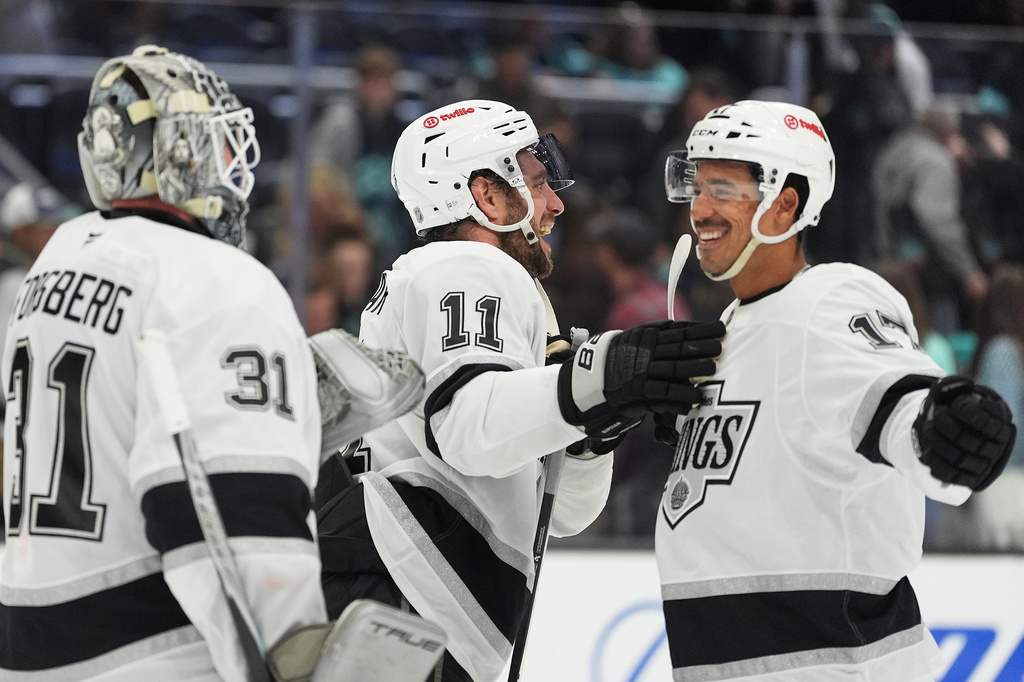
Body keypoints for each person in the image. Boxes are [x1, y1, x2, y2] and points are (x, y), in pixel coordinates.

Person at [0, 45, 422, 681]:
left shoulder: (60, 259)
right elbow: (227, 505)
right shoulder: (217, 278)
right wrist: (296, 657)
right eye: (211, 144)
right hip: (156, 654)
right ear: (172, 156)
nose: (228, 165)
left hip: (28, 647)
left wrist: (293, 422)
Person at [315, 99, 726, 682]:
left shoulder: (459, 277)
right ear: (485, 195)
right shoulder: (465, 266)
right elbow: (466, 425)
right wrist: (598, 379)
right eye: (535, 181)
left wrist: (593, 422)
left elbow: (564, 514)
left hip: (409, 596)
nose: (557, 202)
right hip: (403, 585)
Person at [657, 100, 1015, 682]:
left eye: (722, 189)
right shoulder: (729, 333)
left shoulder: (828, 299)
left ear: (784, 204)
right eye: (695, 187)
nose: (699, 208)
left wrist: (938, 425)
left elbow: (894, 397)